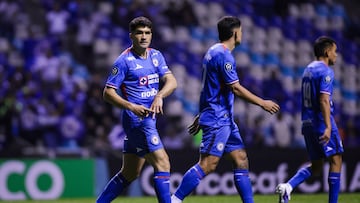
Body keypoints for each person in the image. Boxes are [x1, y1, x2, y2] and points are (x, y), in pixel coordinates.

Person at [171, 16, 280, 203]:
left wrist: (202, 113)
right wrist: (262, 102)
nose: (242, 34)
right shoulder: (223, 55)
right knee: (208, 164)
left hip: (224, 118)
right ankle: (175, 200)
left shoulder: (213, 51)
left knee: (240, 158)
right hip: (217, 118)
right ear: (235, 33)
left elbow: (210, 87)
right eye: (241, 31)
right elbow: (235, 87)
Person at [96, 16, 177, 203]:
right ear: (131, 36)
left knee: (130, 172)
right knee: (163, 162)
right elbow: (108, 93)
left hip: (149, 119)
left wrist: (159, 96)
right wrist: (130, 106)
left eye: (147, 33)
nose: (144, 36)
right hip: (137, 121)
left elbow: (172, 81)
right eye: (139, 33)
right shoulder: (123, 61)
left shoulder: (156, 55)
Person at [275, 36, 343, 203]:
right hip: (320, 122)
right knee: (336, 159)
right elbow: (323, 100)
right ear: (327, 52)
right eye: (334, 51)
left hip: (307, 123)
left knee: (317, 165)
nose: (336, 55)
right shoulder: (326, 71)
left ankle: (288, 187)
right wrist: (328, 126)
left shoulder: (308, 70)